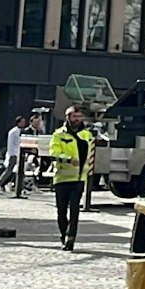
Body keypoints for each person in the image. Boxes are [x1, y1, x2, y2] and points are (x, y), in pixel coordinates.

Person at [48, 107, 94, 250]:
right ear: (67, 117)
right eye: (74, 116)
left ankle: (71, 238)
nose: (77, 119)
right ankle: (63, 235)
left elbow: (91, 154)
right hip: (62, 179)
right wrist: (68, 160)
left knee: (75, 210)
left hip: (79, 178)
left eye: (79, 116)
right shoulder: (58, 135)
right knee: (61, 211)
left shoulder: (87, 135)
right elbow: (53, 153)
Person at [0, 115, 28, 198]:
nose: (24, 124)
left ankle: (18, 187)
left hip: (17, 153)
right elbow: (13, 144)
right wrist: (13, 154)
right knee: (9, 170)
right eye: (22, 122)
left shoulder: (18, 131)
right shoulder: (14, 131)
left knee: (18, 171)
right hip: (13, 154)